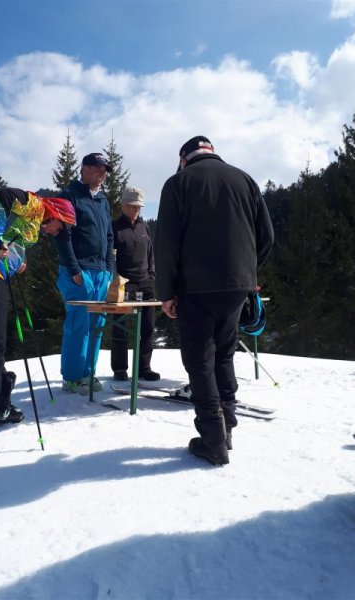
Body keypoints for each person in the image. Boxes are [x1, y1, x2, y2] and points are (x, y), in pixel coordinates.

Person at [155, 136, 274, 466]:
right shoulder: (244, 179)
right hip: (237, 287)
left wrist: (166, 292)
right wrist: (247, 273)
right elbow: (266, 237)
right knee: (224, 354)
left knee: (199, 361)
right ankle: (228, 428)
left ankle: (213, 440)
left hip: (195, 288)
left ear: (184, 159)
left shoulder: (178, 183)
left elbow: (166, 243)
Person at [0, 188, 76, 426]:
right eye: (60, 227)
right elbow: (3, 195)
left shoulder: (34, 219)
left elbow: (13, 235)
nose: (55, 232)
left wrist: (19, 259)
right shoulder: (36, 204)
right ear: (56, 214)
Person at [53, 153, 114, 395]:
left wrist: (108, 269)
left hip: (100, 272)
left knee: (96, 324)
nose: (103, 174)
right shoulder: (69, 196)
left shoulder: (103, 201)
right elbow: (62, 235)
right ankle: (71, 378)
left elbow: (109, 237)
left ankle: (88, 373)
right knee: (78, 323)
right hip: (78, 271)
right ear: (85, 169)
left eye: (105, 170)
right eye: (99, 169)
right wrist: (74, 270)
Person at [111, 187, 160, 382]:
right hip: (123, 284)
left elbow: (151, 253)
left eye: (139, 206)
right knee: (120, 327)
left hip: (146, 282)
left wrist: (152, 274)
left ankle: (144, 368)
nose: (136, 209)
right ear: (123, 205)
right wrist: (116, 279)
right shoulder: (114, 227)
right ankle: (119, 369)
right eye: (132, 206)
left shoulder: (144, 227)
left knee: (147, 327)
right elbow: (110, 257)